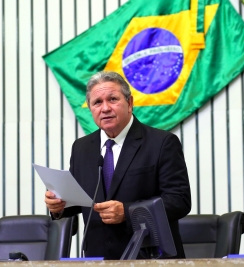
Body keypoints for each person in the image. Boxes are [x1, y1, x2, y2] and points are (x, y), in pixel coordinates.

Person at [44, 71, 191, 260]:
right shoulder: (81, 148)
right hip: (97, 258)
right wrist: (58, 205)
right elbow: (78, 202)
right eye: (97, 102)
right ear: (90, 108)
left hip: (149, 258)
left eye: (112, 99)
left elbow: (179, 201)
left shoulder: (162, 143)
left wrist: (128, 212)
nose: (105, 108)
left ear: (129, 103)